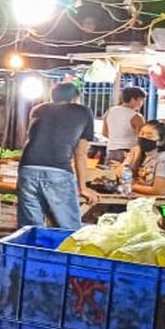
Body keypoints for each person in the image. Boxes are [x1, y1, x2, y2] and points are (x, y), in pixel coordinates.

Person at [17, 82, 97, 229]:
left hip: (27, 168)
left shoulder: (38, 109)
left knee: (30, 229)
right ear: (75, 98)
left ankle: (32, 251)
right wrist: (83, 187)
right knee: (68, 228)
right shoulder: (83, 112)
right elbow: (80, 153)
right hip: (58, 170)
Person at [125, 120, 165, 197]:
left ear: (161, 141)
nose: (143, 137)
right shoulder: (140, 152)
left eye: (149, 135)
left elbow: (159, 190)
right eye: (142, 133)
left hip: (161, 203)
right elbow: (123, 171)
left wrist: (131, 186)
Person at [102, 87, 146, 164]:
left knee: (110, 175)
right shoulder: (136, 117)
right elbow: (142, 138)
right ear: (133, 99)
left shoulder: (110, 112)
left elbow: (104, 133)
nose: (142, 103)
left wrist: (117, 139)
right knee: (127, 175)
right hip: (128, 153)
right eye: (141, 100)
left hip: (111, 151)